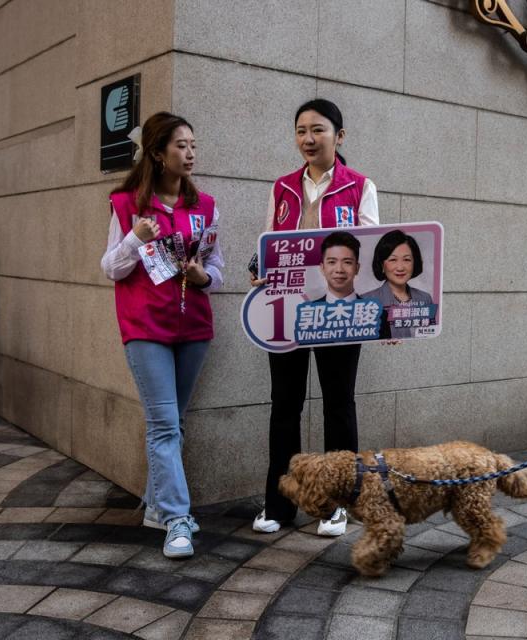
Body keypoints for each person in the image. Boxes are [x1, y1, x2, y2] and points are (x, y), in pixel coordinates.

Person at [252, 99, 379, 536]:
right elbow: (270, 244)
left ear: (339, 136)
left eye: (318, 130)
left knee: (338, 404)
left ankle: (338, 503)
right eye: (301, 130)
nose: (308, 138)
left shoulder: (359, 186)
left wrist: (386, 316)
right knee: (284, 405)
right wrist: (260, 270)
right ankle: (280, 503)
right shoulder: (282, 187)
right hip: (288, 311)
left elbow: (369, 250)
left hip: (339, 312)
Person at [101, 112, 224, 559]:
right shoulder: (126, 204)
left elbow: (218, 269)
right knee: (163, 424)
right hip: (145, 327)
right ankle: (177, 519)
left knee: (174, 423)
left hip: (194, 326)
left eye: (193, 144)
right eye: (180, 146)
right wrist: (134, 238)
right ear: (157, 153)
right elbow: (110, 269)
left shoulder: (205, 205)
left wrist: (202, 275)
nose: (190, 153)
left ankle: (156, 505)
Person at [362, 229, 434, 339]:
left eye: (406, 260)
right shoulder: (366, 301)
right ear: (382, 264)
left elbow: (431, 335)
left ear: (415, 262)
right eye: (393, 260)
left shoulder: (425, 298)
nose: (400, 267)